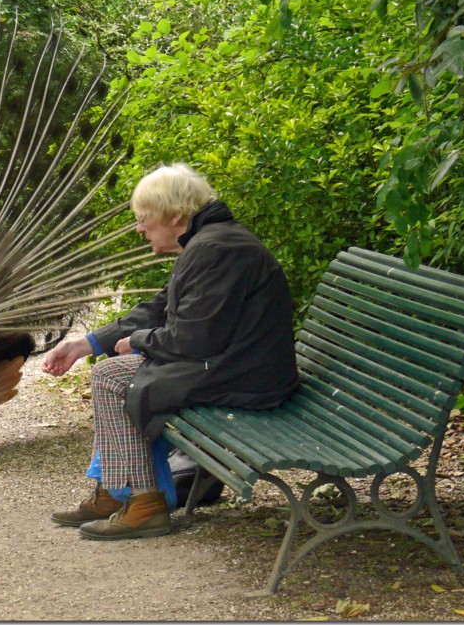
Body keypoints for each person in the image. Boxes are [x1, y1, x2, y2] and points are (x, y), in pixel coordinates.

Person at [42, 163, 299, 540]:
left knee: (113, 377)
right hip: (235, 365)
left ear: (175, 215)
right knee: (113, 372)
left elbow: (193, 340)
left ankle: (142, 503)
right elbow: (160, 308)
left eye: (145, 218)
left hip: (247, 379)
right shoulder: (208, 243)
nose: (140, 228)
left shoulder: (216, 250)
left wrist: (140, 342)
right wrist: (86, 343)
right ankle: (122, 494)